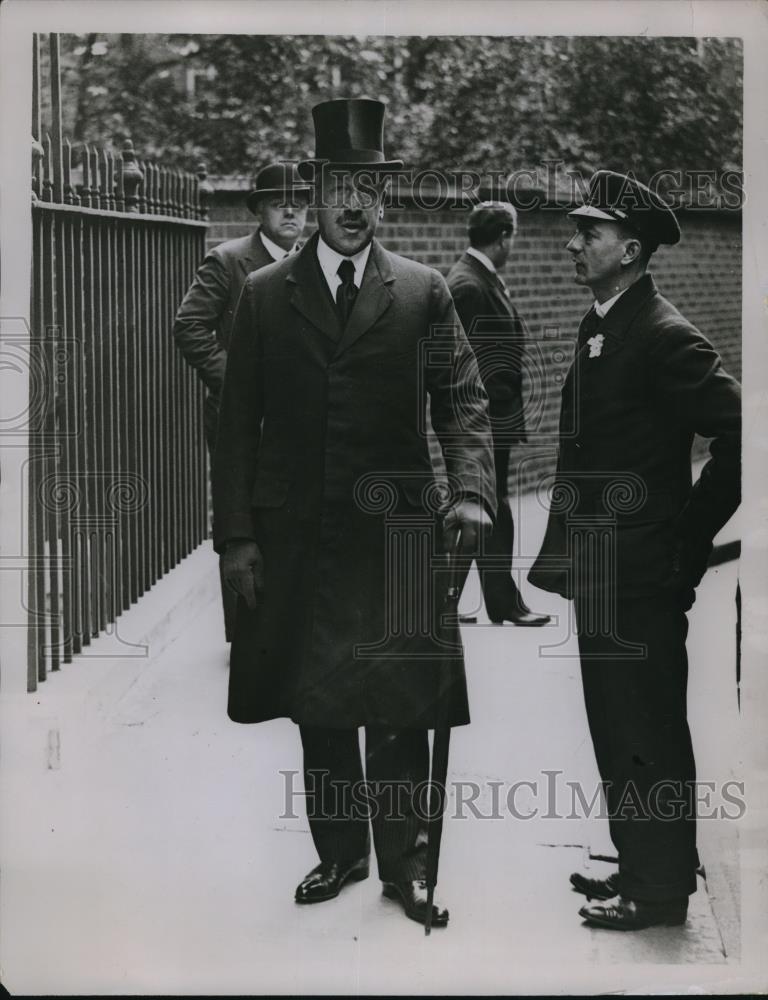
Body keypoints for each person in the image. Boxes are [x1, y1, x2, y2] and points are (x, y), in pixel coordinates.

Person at [212, 98, 496, 928]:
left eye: (370, 187)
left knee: (401, 698)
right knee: (319, 698)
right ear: (316, 187)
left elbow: (466, 401)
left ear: (386, 197)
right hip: (297, 533)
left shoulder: (423, 291)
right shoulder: (265, 295)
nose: (354, 202)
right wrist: (236, 537)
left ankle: (404, 863)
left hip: (397, 534)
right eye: (340, 184)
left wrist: (473, 490)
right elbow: (236, 431)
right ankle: (338, 852)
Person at [529, 171, 741, 930]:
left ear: (633, 248)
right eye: (577, 230)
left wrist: (686, 542)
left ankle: (657, 894)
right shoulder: (609, 322)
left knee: (646, 725)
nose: (575, 241)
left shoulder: (664, 335)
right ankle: (642, 859)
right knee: (618, 722)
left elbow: (742, 434)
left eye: (591, 231)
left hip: (641, 573)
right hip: (603, 570)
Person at [173, 163, 311, 640]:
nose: (291, 209)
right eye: (279, 201)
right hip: (242, 422)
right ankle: (246, 634)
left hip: (298, 418)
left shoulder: (315, 261)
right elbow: (189, 326)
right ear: (259, 210)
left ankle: (290, 623)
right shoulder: (229, 260)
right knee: (241, 518)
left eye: (299, 201)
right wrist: (237, 386)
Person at [447, 202, 550, 626]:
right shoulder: (469, 285)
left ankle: (446, 602)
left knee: (483, 507)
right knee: (490, 508)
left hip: (493, 420)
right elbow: (467, 364)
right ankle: (501, 604)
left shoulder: (479, 278)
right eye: (514, 236)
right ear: (504, 236)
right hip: (484, 421)